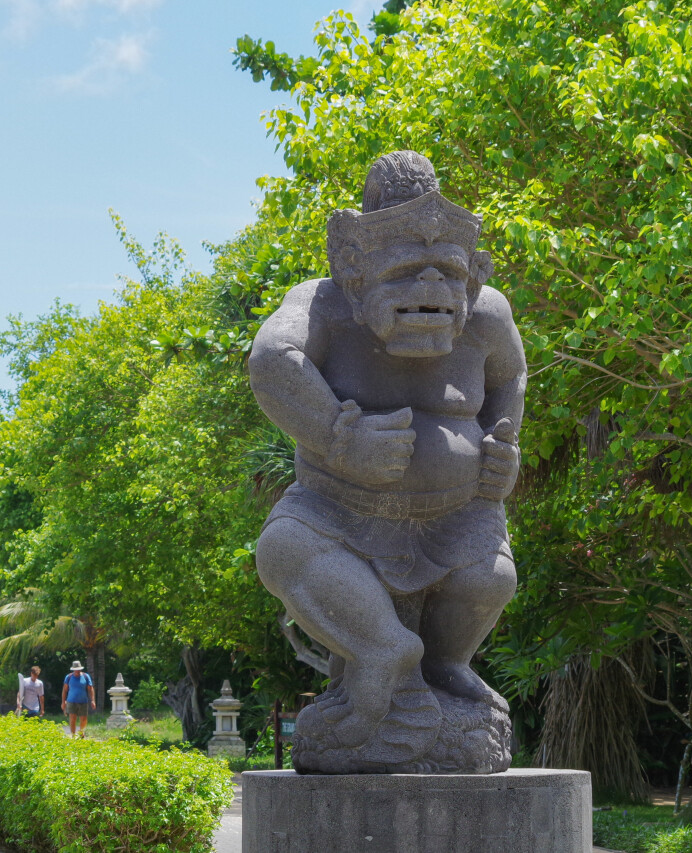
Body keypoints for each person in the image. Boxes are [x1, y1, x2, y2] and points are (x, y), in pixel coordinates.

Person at [247, 151, 526, 774]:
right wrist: (338, 437)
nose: (430, 290)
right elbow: (271, 360)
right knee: (284, 548)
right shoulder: (323, 306)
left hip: (458, 516)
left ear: (472, 276)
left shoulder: (487, 315)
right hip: (339, 507)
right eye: (404, 271)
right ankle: (382, 650)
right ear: (356, 271)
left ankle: (446, 664)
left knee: (491, 580)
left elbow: (510, 375)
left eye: (447, 272)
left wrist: (503, 443)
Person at [62, 661, 96, 738]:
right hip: (71, 701)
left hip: (83, 701)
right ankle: (73, 735)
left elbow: (90, 689)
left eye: (78, 669)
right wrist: (63, 702)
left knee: (84, 719)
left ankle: (81, 733)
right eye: (75, 669)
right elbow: (64, 690)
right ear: (73, 669)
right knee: (72, 719)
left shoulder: (86, 676)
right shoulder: (69, 677)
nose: (77, 671)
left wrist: (92, 700)